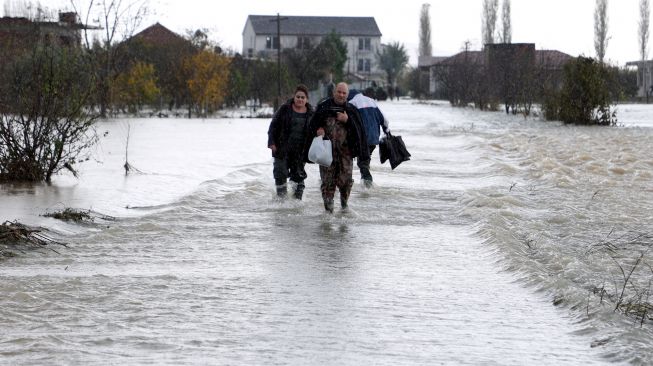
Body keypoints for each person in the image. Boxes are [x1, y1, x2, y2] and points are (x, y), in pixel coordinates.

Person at [307, 82, 369, 212]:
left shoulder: (351, 110)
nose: (341, 95)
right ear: (334, 92)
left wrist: (347, 120)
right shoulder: (324, 106)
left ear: (347, 95)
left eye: (344, 93)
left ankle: (344, 205)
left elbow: (359, 131)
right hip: (326, 153)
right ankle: (328, 212)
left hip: (346, 154)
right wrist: (318, 129)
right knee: (327, 182)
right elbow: (311, 124)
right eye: (339, 92)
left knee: (346, 181)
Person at [267, 84, 314, 199]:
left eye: (303, 97)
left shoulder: (311, 113)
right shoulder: (285, 109)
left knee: (298, 177)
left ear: (306, 99)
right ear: (294, 97)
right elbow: (273, 125)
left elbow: (316, 128)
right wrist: (271, 142)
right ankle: (281, 201)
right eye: (298, 96)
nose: (300, 99)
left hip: (300, 152)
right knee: (280, 173)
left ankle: (296, 204)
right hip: (282, 148)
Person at [347, 88, 390, 188]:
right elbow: (384, 120)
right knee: (365, 159)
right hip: (374, 138)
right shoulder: (371, 101)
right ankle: (365, 186)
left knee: (362, 162)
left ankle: (368, 183)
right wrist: (386, 132)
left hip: (361, 138)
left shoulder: (352, 103)